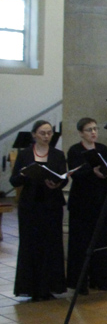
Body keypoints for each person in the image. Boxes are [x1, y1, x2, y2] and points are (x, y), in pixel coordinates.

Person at [10, 120, 67, 301]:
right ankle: (31, 287)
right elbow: (14, 180)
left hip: (51, 205)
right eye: (42, 133)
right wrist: (24, 174)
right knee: (31, 245)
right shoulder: (25, 154)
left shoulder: (57, 154)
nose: (46, 136)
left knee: (51, 245)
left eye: (49, 133)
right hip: (30, 205)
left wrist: (57, 183)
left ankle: (49, 287)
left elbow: (63, 178)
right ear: (34, 134)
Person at [66, 117, 107, 293]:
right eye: (89, 129)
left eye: (95, 129)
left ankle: (100, 279)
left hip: (100, 200)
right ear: (81, 133)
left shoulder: (102, 149)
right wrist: (91, 170)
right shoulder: (75, 150)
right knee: (80, 242)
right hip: (81, 203)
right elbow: (74, 173)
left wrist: (105, 173)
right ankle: (80, 282)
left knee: (100, 240)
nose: (93, 132)